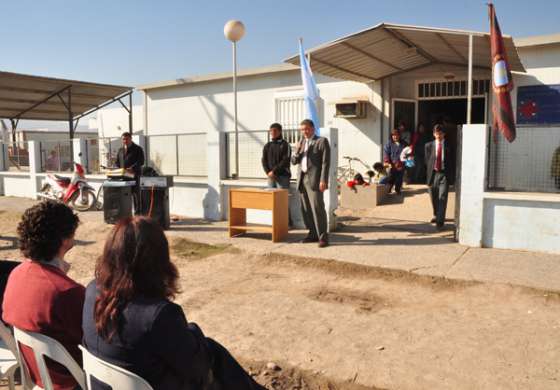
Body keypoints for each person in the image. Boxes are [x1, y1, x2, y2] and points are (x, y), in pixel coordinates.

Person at [82, 217, 263, 390]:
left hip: (106, 383)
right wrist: (193, 332)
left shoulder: (92, 291)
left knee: (212, 351)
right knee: (215, 357)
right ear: (158, 261)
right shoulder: (158, 315)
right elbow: (197, 369)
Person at [2, 201, 84, 390]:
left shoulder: (17, 274)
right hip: (71, 382)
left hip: (38, 376)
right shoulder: (67, 292)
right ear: (65, 240)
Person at [291, 119, 330, 248]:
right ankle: (312, 233)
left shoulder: (321, 141)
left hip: (315, 180)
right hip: (302, 180)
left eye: (307, 129)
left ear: (313, 129)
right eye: (302, 129)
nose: (304, 132)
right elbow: (294, 161)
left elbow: (325, 163)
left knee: (317, 208)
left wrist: (323, 180)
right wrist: (297, 151)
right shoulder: (301, 142)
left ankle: (323, 236)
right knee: (306, 209)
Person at [425, 124, 454, 230]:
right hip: (432, 174)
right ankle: (436, 214)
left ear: (444, 134)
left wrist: (451, 177)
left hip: (444, 174)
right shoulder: (428, 146)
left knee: (442, 197)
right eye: (437, 133)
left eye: (440, 133)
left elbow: (452, 161)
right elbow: (427, 161)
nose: (438, 135)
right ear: (433, 134)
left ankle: (440, 221)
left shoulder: (449, 146)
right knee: (433, 197)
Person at [115, 132, 145, 209]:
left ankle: (137, 214)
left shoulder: (138, 149)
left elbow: (141, 161)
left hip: (134, 176)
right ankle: (126, 214)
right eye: (123, 139)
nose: (125, 141)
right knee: (124, 196)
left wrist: (132, 168)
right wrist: (117, 168)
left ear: (131, 139)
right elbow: (117, 162)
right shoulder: (120, 150)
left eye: (126, 139)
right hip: (123, 177)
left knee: (136, 196)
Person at [261, 123, 291, 189]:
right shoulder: (267, 145)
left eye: (275, 130)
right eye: (271, 130)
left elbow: (285, 160)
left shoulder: (285, 145)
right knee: (271, 198)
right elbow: (264, 160)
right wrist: (268, 172)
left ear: (280, 131)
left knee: (281, 198)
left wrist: (274, 171)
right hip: (271, 177)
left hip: (283, 176)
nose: (273, 132)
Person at [383, 128, 408, 195]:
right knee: (391, 178)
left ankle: (397, 189)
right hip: (392, 164)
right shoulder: (389, 143)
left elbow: (408, 153)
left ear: (399, 135)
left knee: (399, 178)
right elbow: (386, 153)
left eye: (397, 135)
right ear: (391, 136)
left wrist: (408, 159)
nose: (395, 136)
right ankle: (388, 189)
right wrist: (387, 161)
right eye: (393, 135)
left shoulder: (404, 143)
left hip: (401, 164)